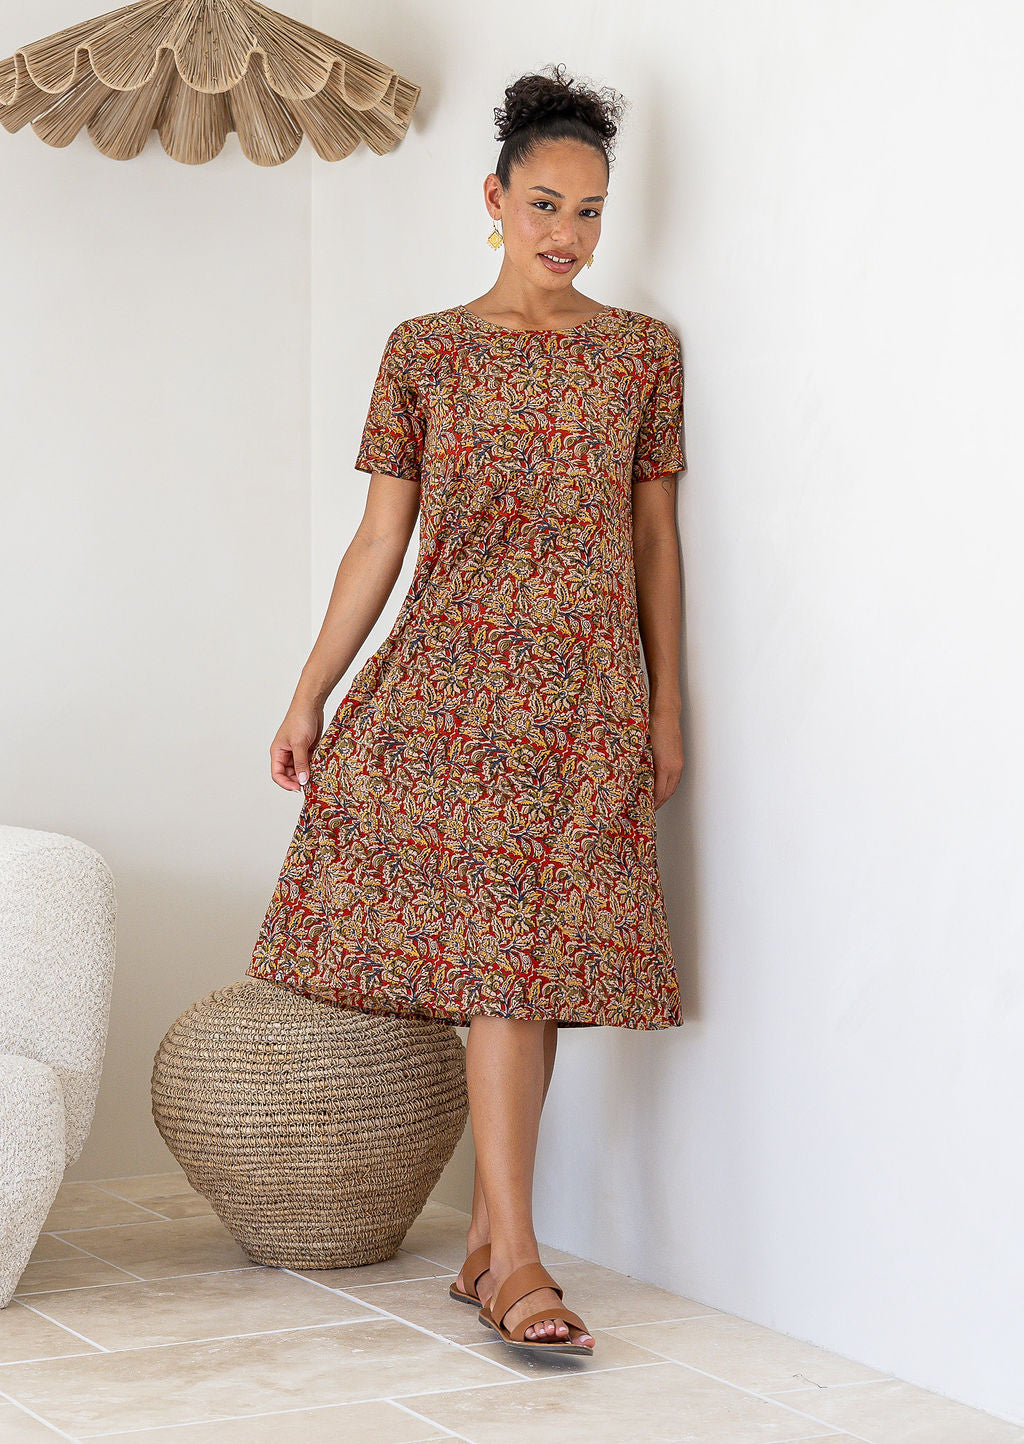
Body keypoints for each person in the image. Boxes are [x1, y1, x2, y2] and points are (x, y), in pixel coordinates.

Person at [247, 62, 688, 1358]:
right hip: (452, 695)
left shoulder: (641, 356)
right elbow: (378, 543)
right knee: (504, 960)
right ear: (491, 199)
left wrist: (669, 709)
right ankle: (520, 1264)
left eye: (592, 210)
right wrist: (310, 689)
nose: (568, 234)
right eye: (545, 203)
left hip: (589, 695)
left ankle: (493, 1246)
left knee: (534, 970)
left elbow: (654, 542)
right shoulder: (425, 352)